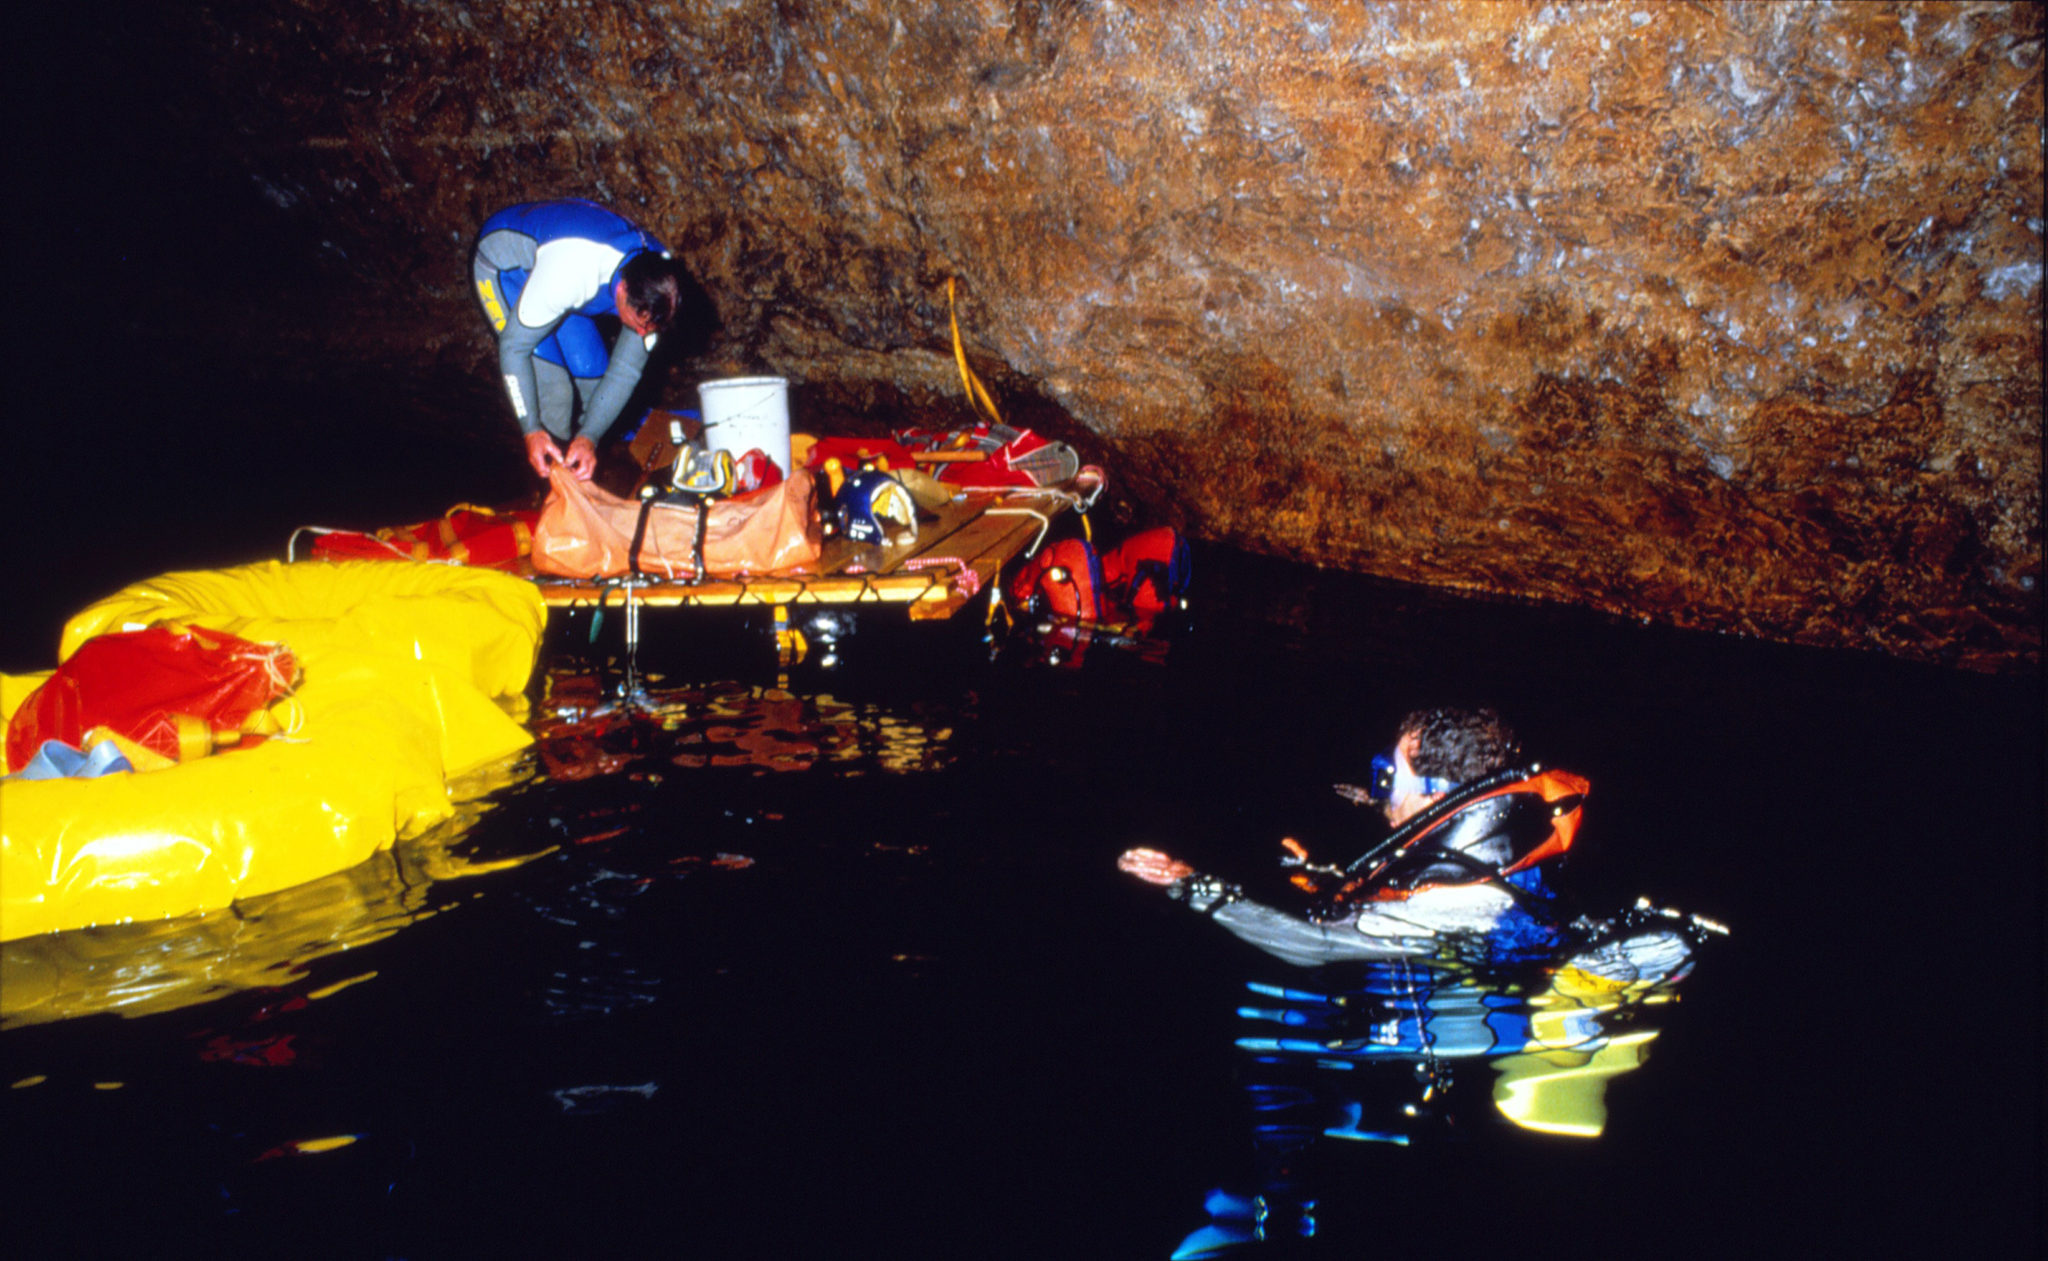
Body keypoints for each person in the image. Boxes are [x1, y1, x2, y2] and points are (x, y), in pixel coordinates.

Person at [1119, 707, 1588, 967]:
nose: (1380, 790)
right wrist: (1311, 878)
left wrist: (1194, 887)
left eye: (1388, 777)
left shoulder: (1449, 903)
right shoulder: (1512, 854)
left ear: (1434, 798)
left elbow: (1315, 946)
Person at [473, 199, 691, 480]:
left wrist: (589, 437)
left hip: (563, 276)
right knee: (556, 392)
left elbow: (625, 372)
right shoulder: (570, 276)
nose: (642, 335)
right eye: (639, 326)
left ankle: (581, 466)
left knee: (594, 382)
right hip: (505, 267)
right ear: (622, 291)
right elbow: (514, 348)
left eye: (650, 329)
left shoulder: (661, 284)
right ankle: (552, 491)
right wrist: (531, 429)